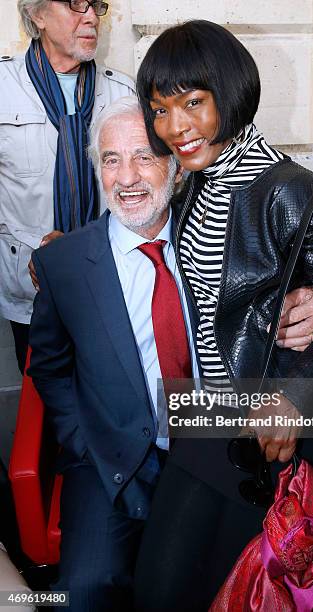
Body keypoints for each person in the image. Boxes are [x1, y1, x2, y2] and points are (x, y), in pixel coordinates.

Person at [133, 20, 313, 610]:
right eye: (161, 110)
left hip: (275, 433)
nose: (176, 128)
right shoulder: (192, 189)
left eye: (193, 103)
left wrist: (292, 396)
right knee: (165, 588)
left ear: (231, 93)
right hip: (214, 415)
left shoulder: (296, 194)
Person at [27, 97, 190, 611]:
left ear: (174, 164)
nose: (127, 177)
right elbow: (49, 367)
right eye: (111, 160)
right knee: (82, 593)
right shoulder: (64, 264)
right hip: (107, 457)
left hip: (208, 446)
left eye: (144, 156)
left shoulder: (214, 239)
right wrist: (80, 438)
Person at [0, 0, 135, 374]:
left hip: (109, 286)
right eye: (76, 4)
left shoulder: (123, 93)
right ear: (37, 15)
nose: (91, 16)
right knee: (43, 407)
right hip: (31, 294)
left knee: (107, 398)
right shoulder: (3, 89)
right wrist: (37, 251)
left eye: (95, 5)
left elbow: (143, 194)